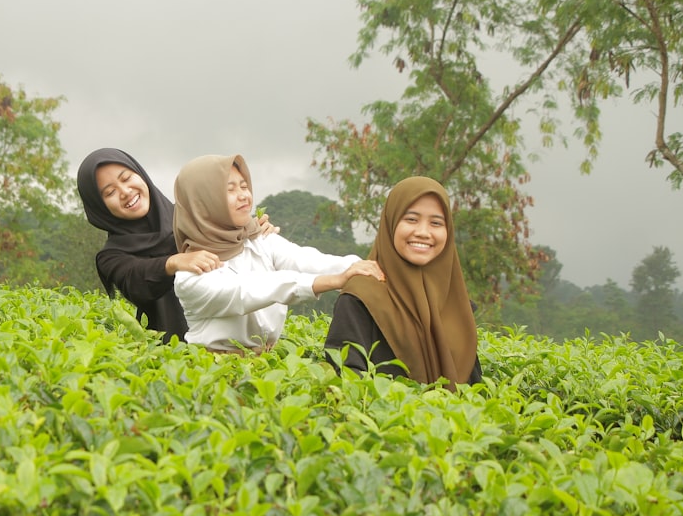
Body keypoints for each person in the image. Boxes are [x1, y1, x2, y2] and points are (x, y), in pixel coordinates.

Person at [172, 153, 384, 354]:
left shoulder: (259, 239)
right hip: (211, 370)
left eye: (244, 186)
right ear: (204, 203)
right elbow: (250, 290)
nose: (244, 196)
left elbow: (306, 260)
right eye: (230, 190)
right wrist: (335, 280)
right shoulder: (190, 275)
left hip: (267, 363)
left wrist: (367, 267)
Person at [77, 148, 279, 342]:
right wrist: (172, 263)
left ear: (141, 175)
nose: (125, 191)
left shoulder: (194, 219)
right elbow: (135, 280)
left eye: (126, 178)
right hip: (175, 359)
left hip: (240, 344)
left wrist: (253, 230)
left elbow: (234, 241)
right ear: (99, 206)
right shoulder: (112, 256)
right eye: (110, 192)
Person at [324, 176, 482, 388]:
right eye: (411, 219)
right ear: (391, 223)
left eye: (436, 223)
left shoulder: (457, 306)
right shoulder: (361, 299)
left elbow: (475, 393)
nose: (423, 232)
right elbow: (344, 383)